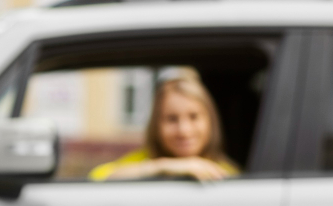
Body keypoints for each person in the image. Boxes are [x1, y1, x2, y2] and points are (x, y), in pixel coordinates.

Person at [89, 68, 239, 182]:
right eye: (172, 119)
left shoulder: (227, 173)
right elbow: (97, 178)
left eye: (194, 117)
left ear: (210, 120)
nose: (184, 131)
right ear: (156, 125)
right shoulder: (142, 160)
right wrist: (161, 166)